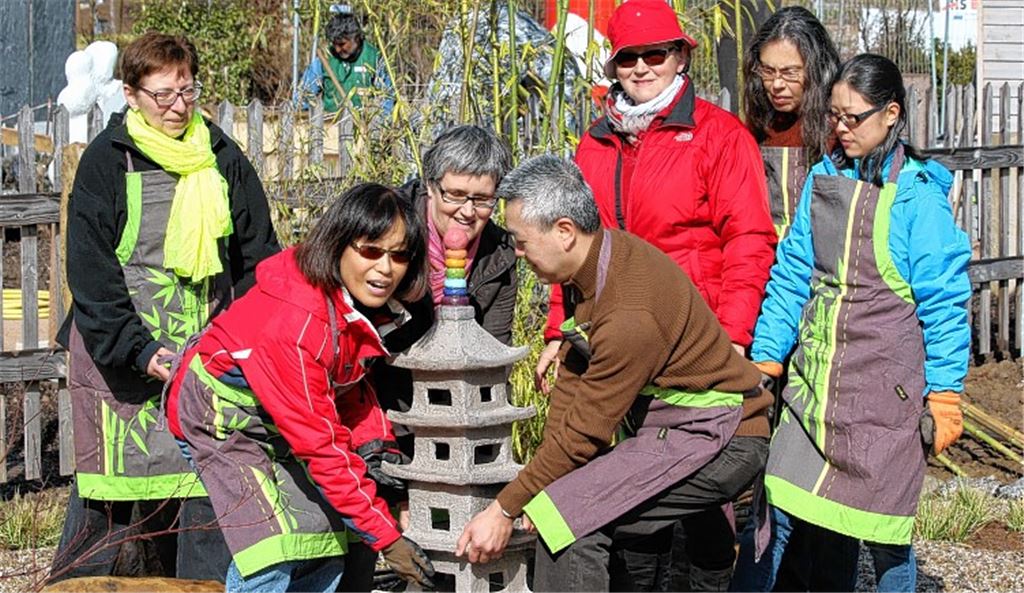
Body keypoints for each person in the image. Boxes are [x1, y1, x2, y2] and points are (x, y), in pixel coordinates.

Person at [538, 0, 777, 589]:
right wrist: (557, 330)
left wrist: (735, 336)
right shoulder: (594, 144)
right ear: (613, 65)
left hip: (696, 339)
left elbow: (748, 240)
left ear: (680, 57)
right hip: (620, 339)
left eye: (656, 54)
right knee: (628, 476)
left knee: (699, 489)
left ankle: (706, 583)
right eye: (629, 58)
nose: (643, 67)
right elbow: (568, 249)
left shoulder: (718, 136)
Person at [454, 155, 773, 592]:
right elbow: (575, 373)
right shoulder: (594, 262)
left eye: (522, 241)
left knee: (565, 520)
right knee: (582, 504)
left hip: (723, 434)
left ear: (565, 231)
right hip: (673, 425)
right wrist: (547, 474)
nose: (518, 253)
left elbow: (585, 432)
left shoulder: (629, 312)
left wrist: (505, 509)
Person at [731, 54, 971, 593]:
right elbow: (792, 274)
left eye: (852, 118)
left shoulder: (918, 200)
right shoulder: (822, 177)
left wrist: (946, 394)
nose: (839, 129)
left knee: (884, 537)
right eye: (834, 117)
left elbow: (945, 304)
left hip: (885, 402)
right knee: (773, 515)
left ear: (891, 114)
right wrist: (767, 356)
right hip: (813, 392)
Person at [50, 32, 280, 583]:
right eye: (163, 95)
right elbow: (91, 275)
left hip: (206, 358)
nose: (178, 106)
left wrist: (246, 341)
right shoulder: (107, 164)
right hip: (119, 368)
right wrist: (141, 350)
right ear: (130, 95)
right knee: (111, 499)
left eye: (188, 91)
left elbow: (258, 258)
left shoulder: (221, 156)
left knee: (206, 491)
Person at [165, 183, 436, 592]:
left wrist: (377, 447)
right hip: (217, 418)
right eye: (370, 250)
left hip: (276, 419)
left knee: (325, 539)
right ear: (339, 244)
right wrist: (388, 538)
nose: (385, 269)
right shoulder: (296, 323)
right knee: (273, 548)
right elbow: (321, 446)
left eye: (399, 256)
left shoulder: (357, 307)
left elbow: (347, 387)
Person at [339, 125, 518, 591]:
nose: (468, 210)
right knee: (364, 529)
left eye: (482, 199)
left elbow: (492, 348)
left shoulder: (498, 252)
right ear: (431, 185)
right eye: (456, 194)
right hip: (375, 392)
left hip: (453, 411)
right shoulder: (391, 228)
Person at [742, 6, 839, 239]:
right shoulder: (757, 124)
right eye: (767, 70)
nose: (776, 84)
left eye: (790, 72)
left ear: (818, 69)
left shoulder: (841, 126)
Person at [297, 4, 392, 113]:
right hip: (330, 124)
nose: (337, 49)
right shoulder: (325, 58)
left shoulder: (373, 57)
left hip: (364, 124)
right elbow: (303, 96)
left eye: (342, 44)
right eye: (334, 44)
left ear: (356, 38)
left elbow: (387, 99)